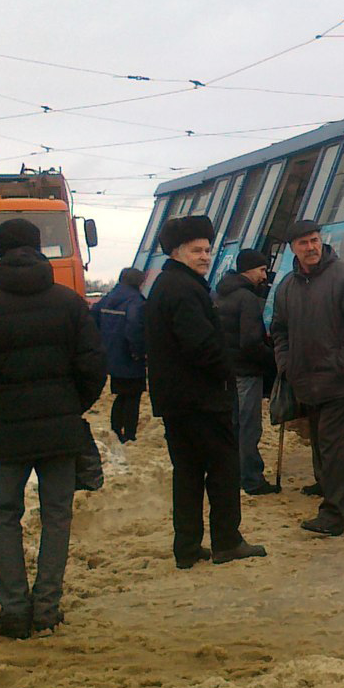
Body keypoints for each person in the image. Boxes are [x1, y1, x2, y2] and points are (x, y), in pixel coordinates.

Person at [0, 219, 107, 638]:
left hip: (6, 433)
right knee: (57, 515)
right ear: (38, 249)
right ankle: (47, 608)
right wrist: (71, 406)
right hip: (60, 431)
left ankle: (15, 609)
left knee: (5, 515)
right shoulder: (70, 302)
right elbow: (93, 365)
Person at [145, 215, 266, 568]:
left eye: (208, 250)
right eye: (197, 250)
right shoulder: (184, 289)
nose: (205, 256)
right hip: (200, 399)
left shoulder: (166, 284)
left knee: (187, 473)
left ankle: (187, 546)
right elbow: (199, 345)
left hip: (177, 400)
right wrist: (228, 372)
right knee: (223, 469)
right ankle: (227, 541)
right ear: (178, 252)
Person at [272, 220, 344, 536]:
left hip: (340, 381)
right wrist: (286, 363)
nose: (311, 247)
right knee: (323, 444)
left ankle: (334, 514)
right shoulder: (287, 287)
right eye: (304, 243)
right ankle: (339, 505)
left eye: (315, 240)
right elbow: (279, 329)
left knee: (335, 446)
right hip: (306, 381)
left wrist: (339, 364)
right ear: (293, 248)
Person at [214, 248, 279, 496]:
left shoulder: (220, 294)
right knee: (249, 428)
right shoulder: (247, 299)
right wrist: (272, 360)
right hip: (247, 373)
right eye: (262, 270)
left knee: (232, 426)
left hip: (226, 372)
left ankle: (231, 473)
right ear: (249, 270)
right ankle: (251, 479)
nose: (264, 276)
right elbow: (251, 342)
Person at [92, 267, 148, 443]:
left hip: (112, 356)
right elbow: (134, 328)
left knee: (121, 394)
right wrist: (139, 352)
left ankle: (116, 429)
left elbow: (93, 318)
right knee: (133, 396)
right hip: (130, 357)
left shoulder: (108, 299)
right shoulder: (136, 301)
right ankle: (129, 435)